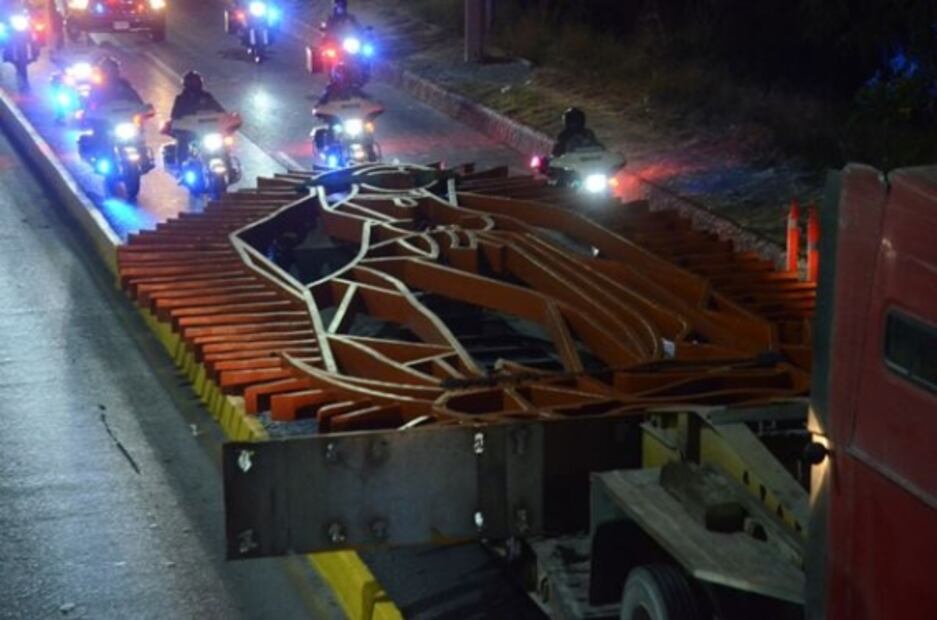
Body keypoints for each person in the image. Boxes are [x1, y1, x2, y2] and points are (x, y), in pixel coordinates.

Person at [81, 56, 143, 157]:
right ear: (104, 71)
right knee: (101, 136)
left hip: (123, 121)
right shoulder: (98, 87)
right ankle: (102, 155)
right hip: (106, 123)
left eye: (114, 70)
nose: (112, 73)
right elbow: (91, 103)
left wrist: (143, 109)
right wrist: (91, 113)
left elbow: (136, 99)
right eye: (109, 70)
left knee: (138, 133)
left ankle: (143, 153)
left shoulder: (124, 85)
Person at [166, 70, 225, 167]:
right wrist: (180, 122)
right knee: (182, 142)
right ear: (186, 84)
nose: (194, 85)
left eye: (196, 82)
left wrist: (226, 119)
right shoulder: (181, 99)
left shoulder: (207, 97)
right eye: (192, 83)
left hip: (207, 131)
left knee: (224, 143)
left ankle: (228, 165)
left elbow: (220, 110)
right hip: (190, 132)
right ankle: (181, 165)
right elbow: (174, 115)